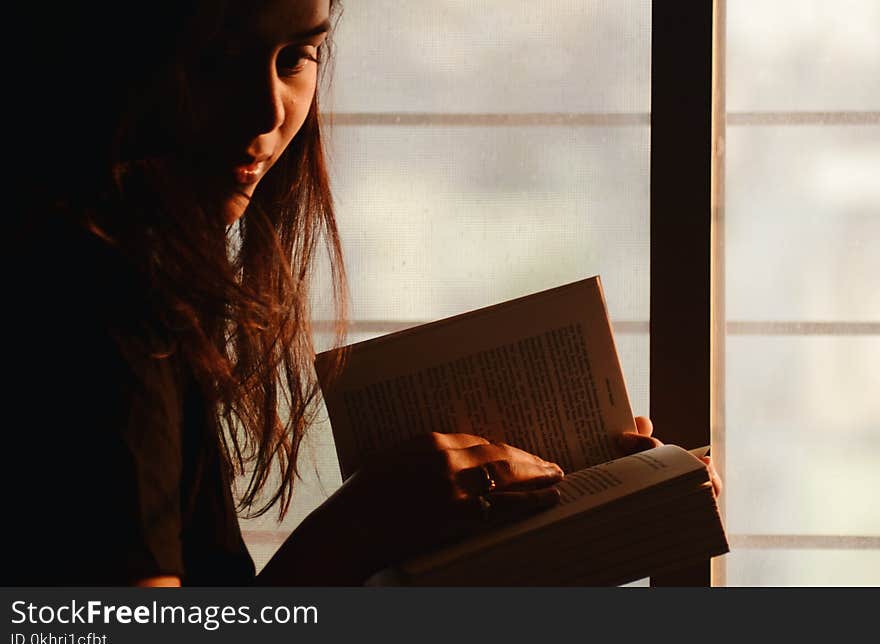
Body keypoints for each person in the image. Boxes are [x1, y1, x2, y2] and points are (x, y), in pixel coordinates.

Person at [8, 0, 720, 586]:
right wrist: (355, 533)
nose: (267, 111)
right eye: (214, 60)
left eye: (296, 58)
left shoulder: (136, 270)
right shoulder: (95, 297)